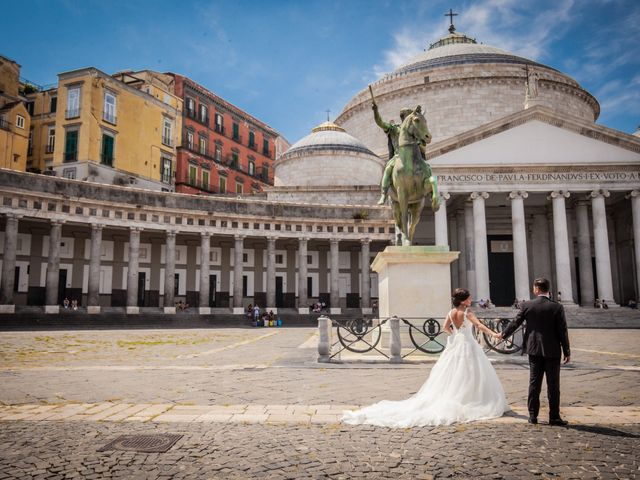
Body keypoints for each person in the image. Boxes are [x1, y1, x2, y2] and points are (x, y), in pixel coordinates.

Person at [342, 288, 507, 427]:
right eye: (469, 298)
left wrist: (456, 335)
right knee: (472, 373)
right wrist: (495, 334)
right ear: (463, 301)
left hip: (457, 344)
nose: (471, 300)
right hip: (468, 344)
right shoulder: (467, 312)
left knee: (453, 373)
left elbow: (445, 328)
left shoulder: (451, 312)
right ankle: (471, 397)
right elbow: (478, 326)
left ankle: (457, 395)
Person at [500, 277, 570, 426]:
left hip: (534, 349)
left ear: (537, 289)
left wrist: (503, 335)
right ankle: (554, 417)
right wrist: (567, 350)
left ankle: (533, 416)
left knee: (534, 383)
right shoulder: (557, 307)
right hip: (552, 350)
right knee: (553, 385)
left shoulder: (527, 305)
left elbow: (515, 323)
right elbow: (562, 331)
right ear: (548, 290)